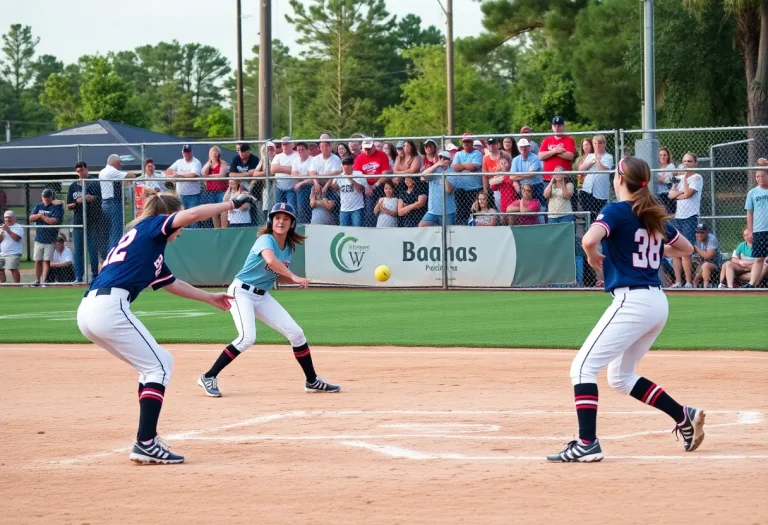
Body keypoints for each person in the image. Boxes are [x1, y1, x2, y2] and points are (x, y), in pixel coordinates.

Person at [76, 191, 255, 464]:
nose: (180, 231)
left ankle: (147, 438)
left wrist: (209, 297)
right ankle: (145, 442)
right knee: (160, 366)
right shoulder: (151, 227)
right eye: (178, 225)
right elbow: (194, 214)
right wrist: (232, 204)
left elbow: (171, 282)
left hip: (89, 311)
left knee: (152, 368)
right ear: (168, 216)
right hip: (110, 307)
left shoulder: (144, 242)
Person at [547, 156, 703, 463]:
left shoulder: (617, 210)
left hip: (633, 301)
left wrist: (593, 256)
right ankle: (683, 415)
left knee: (582, 368)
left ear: (620, 179)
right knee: (620, 377)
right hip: (657, 302)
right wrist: (656, 249)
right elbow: (686, 249)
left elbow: (589, 239)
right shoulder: (651, 214)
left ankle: (587, 443)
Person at [197, 202, 340, 397]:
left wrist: (294, 280)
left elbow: (275, 274)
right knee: (247, 337)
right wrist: (294, 276)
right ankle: (208, 376)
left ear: (292, 223)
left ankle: (312, 380)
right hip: (241, 293)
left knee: (297, 334)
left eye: (285, 218)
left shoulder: (288, 247)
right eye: (277, 218)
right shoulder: (266, 239)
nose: (281, 221)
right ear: (271, 221)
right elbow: (271, 261)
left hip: (261, 295)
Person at [668, 152, 704, 288]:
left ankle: (688, 282)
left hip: (690, 217)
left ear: (695, 163)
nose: (686, 164)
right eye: (684, 161)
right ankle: (678, 281)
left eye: (689, 161)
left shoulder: (697, 177)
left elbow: (689, 193)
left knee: (686, 250)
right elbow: (671, 195)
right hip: (679, 217)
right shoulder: (678, 177)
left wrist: (683, 185)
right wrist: (680, 194)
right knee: (675, 249)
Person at [67, 161, 103, 283]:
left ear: (86, 169)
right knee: (78, 250)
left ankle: (94, 275)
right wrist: (77, 201)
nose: (80, 173)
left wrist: (89, 198)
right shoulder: (73, 186)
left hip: (92, 221)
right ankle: (79, 277)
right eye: (78, 171)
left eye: (82, 170)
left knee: (92, 249)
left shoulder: (94, 182)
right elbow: (69, 205)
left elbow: (100, 199)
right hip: (78, 221)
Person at [99, 154, 136, 251]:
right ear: (116, 163)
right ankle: (114, 253)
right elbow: (131, 176)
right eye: (120, 164)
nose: (121, 166)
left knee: (111, 231)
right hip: (113, 203)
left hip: (105, 203)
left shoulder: (103, 171)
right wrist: (134, 173)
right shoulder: (112, 171)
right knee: (116, 232)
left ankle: (109, 254)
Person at [30, 188, 64, 287]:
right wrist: (39, 216)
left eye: (48, 197)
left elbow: (53, 221)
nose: (46, 199)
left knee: (46, 260)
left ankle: (44, 280)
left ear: (52, 197)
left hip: (50, 239)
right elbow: (31, 218)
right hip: (39, 238)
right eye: (44, 197)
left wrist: (42, 216)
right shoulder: (38, 206)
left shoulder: (56, 207)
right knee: (38, 260)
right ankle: (37, 280)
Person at [166, 145, 203, 228]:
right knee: (182, 219)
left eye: (188, 152)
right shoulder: (179, 162)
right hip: (180, 195)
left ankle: (195, 236)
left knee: (194, 219)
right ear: (182, 152)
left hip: (193, 195)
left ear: (192, 152)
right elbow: (168, 171)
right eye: (185, 152)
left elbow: (193, 175)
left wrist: (178, 175)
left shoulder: (196, 162)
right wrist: (173, 175)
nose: (186, 154)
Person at [744, 160, 768, 288]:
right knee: (759, 258)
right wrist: (750, 230)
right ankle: (752, 283)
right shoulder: (752, 193)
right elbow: (749, 213)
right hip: (760, 230)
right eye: (757, 176)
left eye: (763, 176)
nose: (760, 179)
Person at [419, 151, 456, 227]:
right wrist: (436, 165)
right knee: (422, 225)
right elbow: (423, 176)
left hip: (447, 211)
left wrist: (443, 174)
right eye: (440, 157)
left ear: (449, 160)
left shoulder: (452, 172)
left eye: (445, 158)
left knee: (448, 234)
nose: (442, 160)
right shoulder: (433, 170)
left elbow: (449, 190)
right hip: (433, 211)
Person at [331, 157, 368, 226]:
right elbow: (334, 186)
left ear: (352, 165)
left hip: (357, 208)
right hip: (344, 209)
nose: (345, 166)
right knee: (344, 230)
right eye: (344, 164)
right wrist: (336, 186)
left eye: (348, 164)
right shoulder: (339, 176)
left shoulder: (358, 174)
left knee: (357, 229)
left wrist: (350, 179)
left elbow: (360, 189)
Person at [201, 146, 230, 228]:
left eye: (216, 155)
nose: (214, 156)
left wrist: (209, 176)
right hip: (211, 191)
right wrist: (209, 163)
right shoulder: (208, 164)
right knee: (213, 212)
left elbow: (221, 175)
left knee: (223, 210)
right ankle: (216, 228)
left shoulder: (223, 163)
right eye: (212, 155)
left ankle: (224, 228)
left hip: (221, 190)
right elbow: (203, 173)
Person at [0, 210, 24, 284]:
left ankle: (17, 285)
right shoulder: (2, 227)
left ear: (14, 218)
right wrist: (1, 233)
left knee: (12, 268)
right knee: (0, 269)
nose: (7, 219)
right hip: (2, 253)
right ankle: (3, 284)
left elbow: (16, 238)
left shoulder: (18, 227)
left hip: (14, 253)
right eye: (6, 217)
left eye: (9, 217)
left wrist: (8, 231)